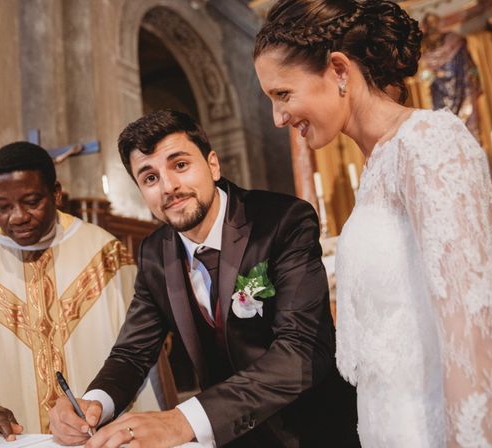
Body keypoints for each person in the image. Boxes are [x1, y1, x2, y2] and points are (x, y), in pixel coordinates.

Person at [253, 0, 492, 447]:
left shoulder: (428, 144)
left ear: (339, 70)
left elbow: (476, 337)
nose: (277, 117)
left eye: (282, 94)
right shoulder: (378, 168)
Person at [49, 110, 359, 448]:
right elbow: (132, 353)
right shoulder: (155, 252)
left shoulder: (282, 221)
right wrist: (95, 403)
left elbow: (301, 350)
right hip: (230, 439)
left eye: (180, 165)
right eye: (150, 178)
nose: (169, 187)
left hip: (313, 432)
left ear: (212, 164)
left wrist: (182, 420)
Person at [0, 141, 160, 445]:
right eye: (3, 206)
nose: (18, 216)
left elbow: (140, 345)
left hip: (99, 434)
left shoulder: (105, 256)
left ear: (56, 193)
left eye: (32, 201)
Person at [418, 12, 481, 141]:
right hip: (438, 89)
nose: (432, 26)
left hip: (459, 85)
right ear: (424, 25)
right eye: (428, 23)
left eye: (434, 22)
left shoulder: (453, 39)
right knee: (442, 124)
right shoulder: (422, 46)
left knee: (466, 118)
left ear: (439, 23)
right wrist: (433, 74)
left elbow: (468, 66)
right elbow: (422, 74)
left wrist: (474, 78)